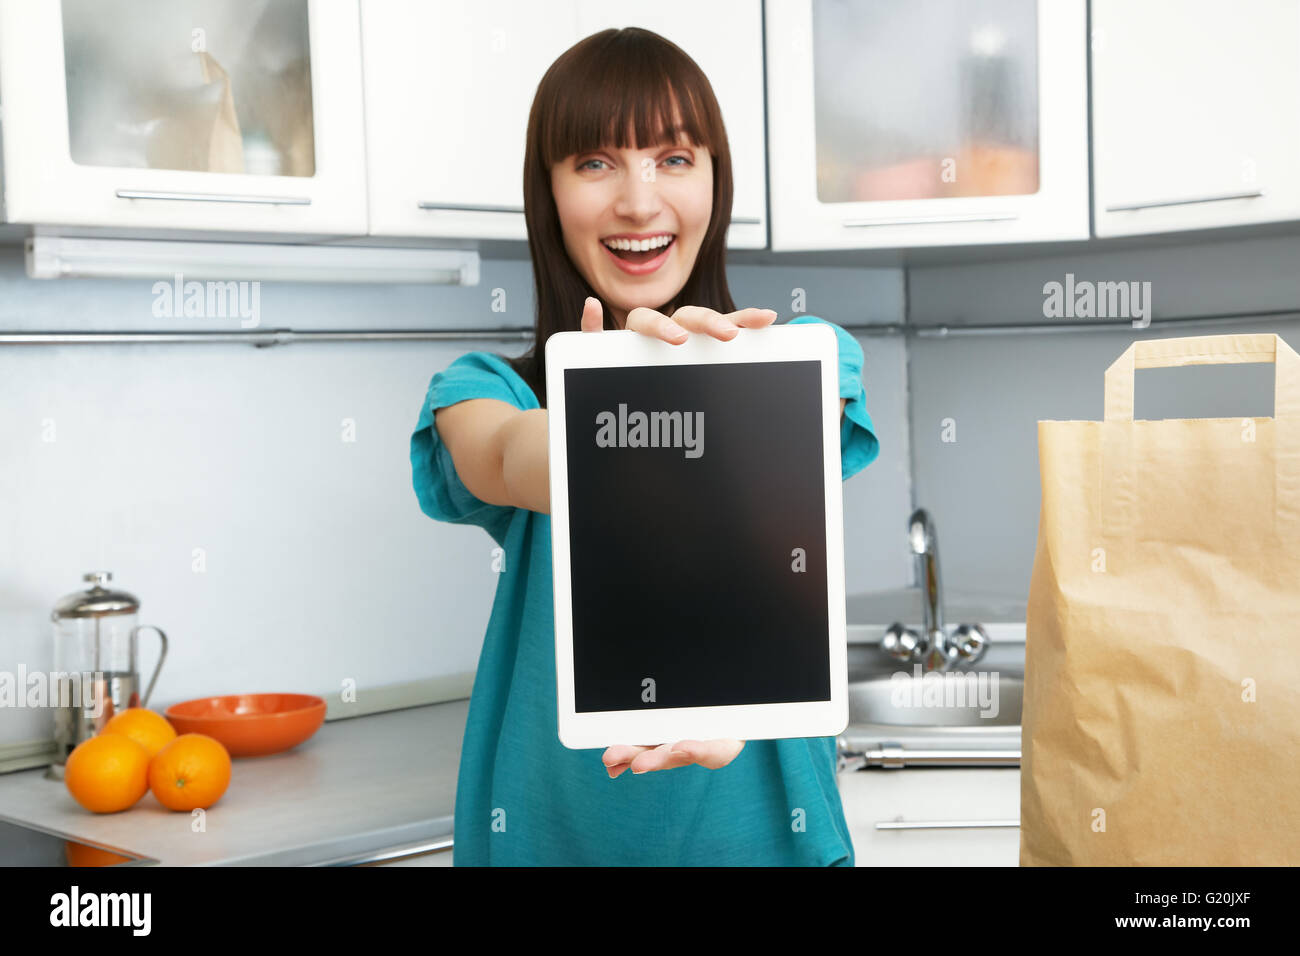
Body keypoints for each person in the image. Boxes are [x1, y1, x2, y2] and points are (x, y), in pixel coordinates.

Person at [410, 27, 880, 866]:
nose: (637, 201)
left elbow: (767, 472)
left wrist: (706, 392)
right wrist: (614, 406)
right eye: (594, 162)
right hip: (557, 838)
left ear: (714, 183)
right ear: (548, 193)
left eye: (673, 158)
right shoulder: (485, 392)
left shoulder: (801, 357)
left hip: (766, 835)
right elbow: (517, 458)